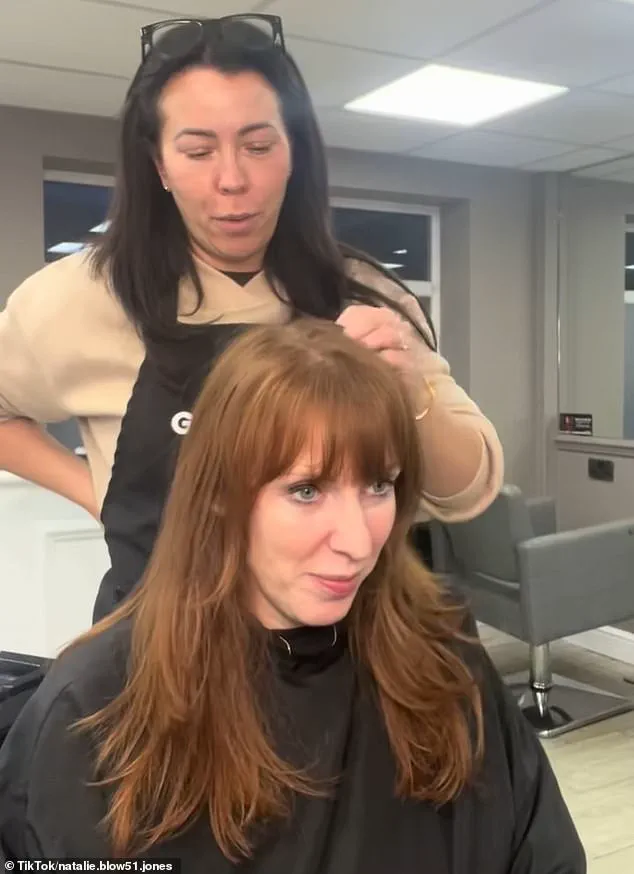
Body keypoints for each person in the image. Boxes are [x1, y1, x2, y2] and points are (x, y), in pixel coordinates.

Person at [0, 320, 582, 872]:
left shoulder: (445, 654)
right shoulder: (95, 708)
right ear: (219, 496)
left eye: (378, 485)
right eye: (306, 491)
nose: (357, 542)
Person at [0, 14, 503, 622]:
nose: (233, 180)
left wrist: (410, 387)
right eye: (197, 151)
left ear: (295, 154)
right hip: (162, 640)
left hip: (340, 644)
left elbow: (469, 490)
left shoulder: (365, 294)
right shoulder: (78, 298)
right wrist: (93, 492)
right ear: (159, 166)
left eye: (259, 146)